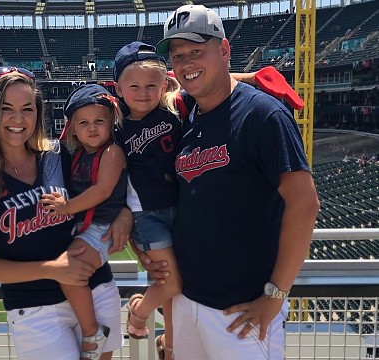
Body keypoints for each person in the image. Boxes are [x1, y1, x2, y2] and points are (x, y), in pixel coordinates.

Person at [133, 5, 320, 360]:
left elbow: (305, 203)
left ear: (223, 50)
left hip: (242, 313)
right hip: (188, 301)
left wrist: (275, 296)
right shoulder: (185, 115)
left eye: (196, 52)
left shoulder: (264, 115)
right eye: (178, 56)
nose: (186, 64)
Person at [0, 67, 127, 360]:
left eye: (27, 109)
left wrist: (125, 215)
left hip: (94, 287)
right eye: (6, 109)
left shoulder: (59, 155)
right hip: (34, 309)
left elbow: (112, 184)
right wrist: (49, 269)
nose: (18, 119)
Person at [41, 84, 127, 360]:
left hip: (100, 230)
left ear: (111, 123)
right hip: (87, 229)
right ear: (73, 129)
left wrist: (66, 208)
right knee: (68, 272)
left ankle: (92, 331)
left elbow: (101, 191)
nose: (92, 128)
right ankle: (90, 328)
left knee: (67, 271)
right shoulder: (77, 155)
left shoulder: (112, 153)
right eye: (84, 123)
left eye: (99, 121)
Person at [112, 41, 183, 360]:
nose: (143, 92)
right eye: (134, 86)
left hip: (182, 209)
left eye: (151, 85)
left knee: (171, 282)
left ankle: (171, 345)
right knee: (169, 282)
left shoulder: (175, 111)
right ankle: (139, 312)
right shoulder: (115, 127)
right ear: (118, 88)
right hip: (146, 215)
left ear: (164, 84)